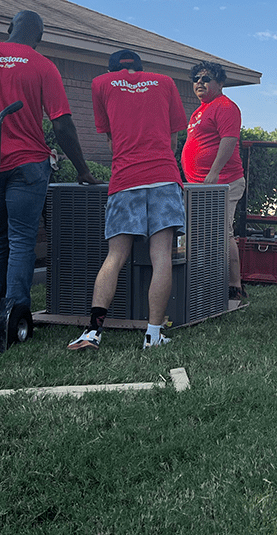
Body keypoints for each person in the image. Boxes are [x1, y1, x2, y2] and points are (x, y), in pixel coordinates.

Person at [0, 10, 98, 311]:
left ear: (9, 29)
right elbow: (62, 125)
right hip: (28, 163)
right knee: (21, 238)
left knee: (1, 236)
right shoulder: (42, 65)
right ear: (39, 37)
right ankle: (15, 309)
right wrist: (82, 168)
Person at [69, 50, 188, 352]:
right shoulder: (165, 82)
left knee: (115, 256)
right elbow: (174, 140)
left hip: (125, 179)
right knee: (161, 255)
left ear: (113, 70)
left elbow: (110, 139)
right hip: (163, 175)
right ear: (140, 67)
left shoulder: (100, 84)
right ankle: (153, 335)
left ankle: (92, 333)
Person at [180, 60, 248, 303]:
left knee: (221, 233)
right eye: (196, 78)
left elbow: (228, 140)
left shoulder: (225, 106)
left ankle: (233, 287)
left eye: (206, 78)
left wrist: (214, 172)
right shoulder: (199, 111)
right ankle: (206, 282)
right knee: (201, 234)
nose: (199, 82)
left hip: (223, 183)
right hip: (199, 185)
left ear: (220, 83)